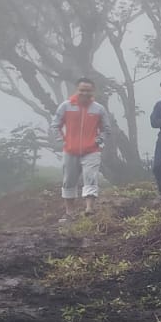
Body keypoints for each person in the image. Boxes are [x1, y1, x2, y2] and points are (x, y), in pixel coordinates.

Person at [51, 77, 111, 220]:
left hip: (91, 150)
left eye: (88, 90)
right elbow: (55, 125)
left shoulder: (98, 108)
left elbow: (106, 128)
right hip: (70, 150)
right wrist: (61, 141)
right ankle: (69, 213)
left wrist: (99, 140)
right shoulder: (66, 106)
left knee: (91, 177)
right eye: (82, 90)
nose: (85, 93)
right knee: (69, 180)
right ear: (77, 90)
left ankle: (89, 209)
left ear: (93, 91)